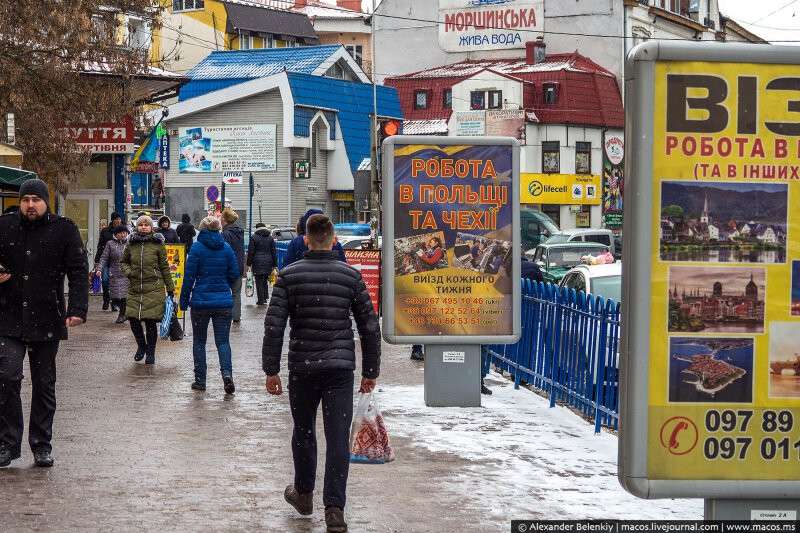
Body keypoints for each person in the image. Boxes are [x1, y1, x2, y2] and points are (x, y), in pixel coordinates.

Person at [263, 214, 380, 533]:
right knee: (338, 437)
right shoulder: (351, 277)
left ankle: (303, 494)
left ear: (304, 240)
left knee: (303, 431)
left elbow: (274, 326)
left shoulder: (288, 276)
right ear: (334, 240)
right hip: (340, 369)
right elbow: (369, 326)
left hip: (303, 367)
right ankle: (335, 510)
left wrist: (271, 370)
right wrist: (371, 370)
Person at [0, 178, 88, 468]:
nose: (30, 205)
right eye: (26, 200)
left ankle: (41, 445)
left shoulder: (63, 230)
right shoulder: (5, 226)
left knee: (44, 384)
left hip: (46, 316)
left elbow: (77, 270)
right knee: (7, 377)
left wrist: (77, 308)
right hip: (8, 317)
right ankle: (7, 443)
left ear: (45, 201)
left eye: (35, 200)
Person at [180, 217, 240, 394]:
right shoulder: (226, 248)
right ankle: (227, 375)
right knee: (223, 342)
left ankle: (200, 380)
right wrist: (223, 286)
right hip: (223, 303)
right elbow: (235, 273)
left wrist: (183, 301)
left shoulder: (197, 249)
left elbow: (189, 277)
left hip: (200, 303)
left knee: (199, 341)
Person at [121, 215, 174, 365]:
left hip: (154, 288)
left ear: (151, 227)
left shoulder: (158, 244)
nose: (144, 226)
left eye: (147, 224)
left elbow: (164, 267)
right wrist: (129, 272)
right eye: (141, 224)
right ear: (137, 226)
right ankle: (141, 346)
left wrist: (170, 288)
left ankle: (150, 352)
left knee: (150, 322)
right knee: (132, 318)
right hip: (135, 287)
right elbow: (123, 262)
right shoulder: (131, 244)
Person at [96, 225, 131, 324]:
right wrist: (99, 269)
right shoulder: (110, 244)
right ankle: (122, 311)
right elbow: (104, 257)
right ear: (116, 235)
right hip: (115, 273)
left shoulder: (130, 244)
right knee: (116, 295)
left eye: (125, 232)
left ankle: (122, 314)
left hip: (127, 273)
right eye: (120, 233)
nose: (123, 234)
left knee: (124, 295)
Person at [94, 212, 124, 311]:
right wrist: (97, 260)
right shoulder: (105, 231)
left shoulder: (124, 231)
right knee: (106, 280)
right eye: (116, 219)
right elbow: (100, 246)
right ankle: (106, 299)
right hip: (106, 260)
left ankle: (115, 302)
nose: (118, 221)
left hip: (118, 261)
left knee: (117, 282)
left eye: (119, 219)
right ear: (112, 220)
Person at [221, 208, 245, 323]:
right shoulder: (240, 232)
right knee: (236, 294)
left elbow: (224, 252)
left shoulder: (225, 234)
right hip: (239, 267)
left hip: (228, 268)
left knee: (225, 292)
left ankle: (225, 316)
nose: (220, 220)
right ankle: (236, 317)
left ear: (225, 220)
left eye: (221, 218)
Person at [247, 223, 277, 306]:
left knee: (259, 281)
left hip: (257, 262)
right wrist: (275, 264)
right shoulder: (270, 238)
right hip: (269, 262)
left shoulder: (253, 238)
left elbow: (251, 252)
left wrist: (248, 264)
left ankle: (261, 300)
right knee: (265, 280)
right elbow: (273, 252)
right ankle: (265, 297)